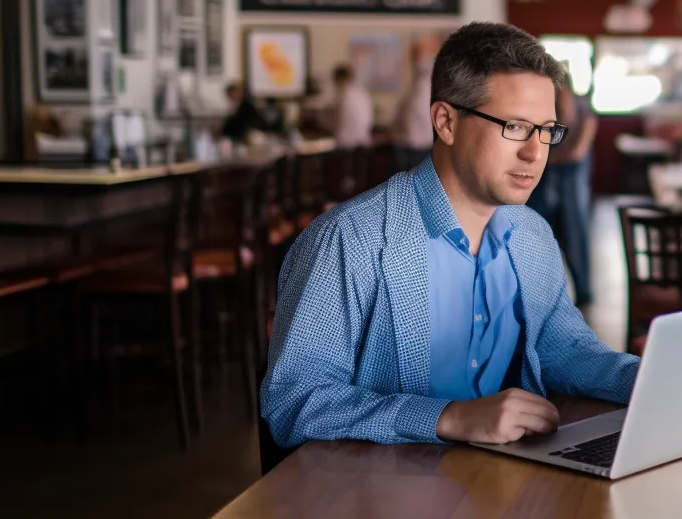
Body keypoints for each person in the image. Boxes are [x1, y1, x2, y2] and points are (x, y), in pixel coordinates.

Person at [261, 22, 635, 449]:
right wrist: (447, 417)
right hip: (378, 490)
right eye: (514, 126)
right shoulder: (350, 240)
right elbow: (293, 402)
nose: (535, 153)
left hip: (502, 478)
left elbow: (563, 348)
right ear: (445, 122)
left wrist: (643, 378)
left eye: (547, 130)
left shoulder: (532, 234)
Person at [525, 70, 597, 306]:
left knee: (575, 244)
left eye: (559, 92)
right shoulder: (543, 117)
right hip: (541, 190)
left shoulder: (586, 117)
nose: (556, 98)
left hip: (571, 193)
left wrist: (544, 159)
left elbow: (575, 153)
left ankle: (583, 295)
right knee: (537, 244)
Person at [333, 64, 374, 148]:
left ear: (339, 79)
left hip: (345, 146)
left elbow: (332, 121)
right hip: (364, 146)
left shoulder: (342, 96)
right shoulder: (363, 94)